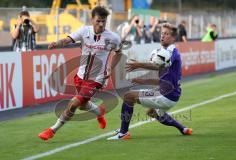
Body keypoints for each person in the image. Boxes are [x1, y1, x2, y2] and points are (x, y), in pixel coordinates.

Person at [38, 6, 122, 141]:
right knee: (83, 105)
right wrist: (57, 43)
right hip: (81, 75)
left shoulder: (113, 38)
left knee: (74, 104)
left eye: (104, 21)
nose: (101, 24)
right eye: (98, 21)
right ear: (92, 19)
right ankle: (99, 112)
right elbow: (67, 40)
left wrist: (111, 68)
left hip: (97, 79)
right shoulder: (84, 31)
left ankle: (52, 130)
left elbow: (119, 52)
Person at [107, 23, 192, 140]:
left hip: (166, 95)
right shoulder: (164, 52)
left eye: (166, 34)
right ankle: (183, 129)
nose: (162, 36)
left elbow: (156, 66)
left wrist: (138, 64)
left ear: (173, 38)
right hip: (171, 94)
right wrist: (141, 80)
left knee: (128, 97)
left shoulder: (171, 51)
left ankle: (123, 132)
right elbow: (162, 80)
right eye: (162, 33)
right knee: (152, 112)